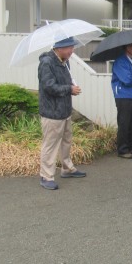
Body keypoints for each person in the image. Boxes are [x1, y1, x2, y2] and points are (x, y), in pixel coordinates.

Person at [37, 36, 87, 190]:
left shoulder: (64, 62)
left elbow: (63, 83)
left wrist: (71, 86)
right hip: (52, 112)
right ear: (59, 48)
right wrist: (69, 89)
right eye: (69, 47)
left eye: (72, 47)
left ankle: (67, 168)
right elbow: (49, 87)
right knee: (50, 145)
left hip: (64, 111)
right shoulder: (47, 63)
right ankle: (46, 176)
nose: (72, 50)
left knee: (66, 141)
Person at [111, 43, 132, 159]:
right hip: (122, 95)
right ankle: (122, 150)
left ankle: (129, 146)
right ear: (128, 48)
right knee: (124, 123)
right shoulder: (120, 61)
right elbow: (127, 80)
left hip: (131, 95)